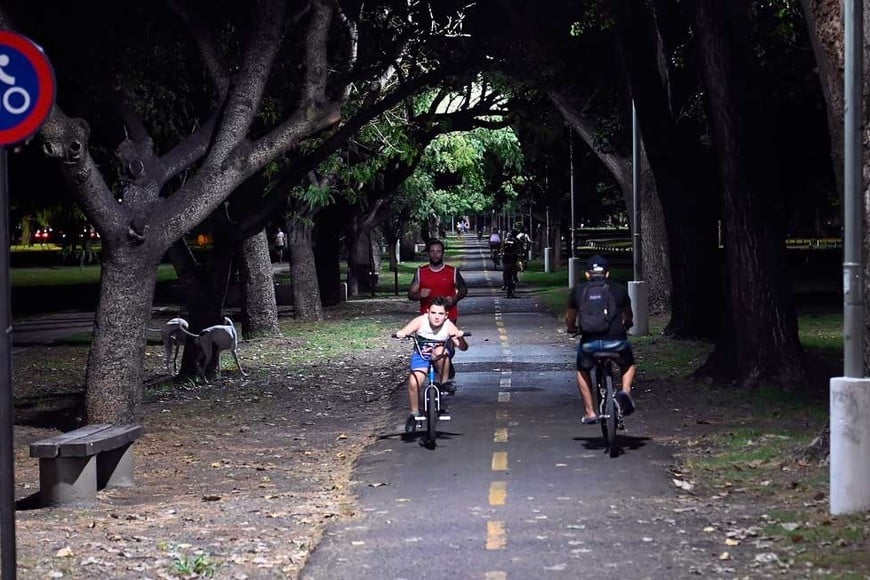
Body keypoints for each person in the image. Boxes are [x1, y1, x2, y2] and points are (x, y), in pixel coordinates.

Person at [565, 254, 637, 424]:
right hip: (616, 342)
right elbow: (628, 314)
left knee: (583, 371)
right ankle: (625, 391)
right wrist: (628, 323)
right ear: (607, 273)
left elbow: (570, 317)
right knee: (628, 364)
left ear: (587, 274)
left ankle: (590, 412)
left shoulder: (579, 290)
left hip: (590, 343)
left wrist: (571, 328)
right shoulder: (618, 289)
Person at [394, 297, 469, 428]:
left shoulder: (448, 325)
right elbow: (405, 331)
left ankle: (444, 383)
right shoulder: (420, 321)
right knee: (414, 382)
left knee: (441, 350)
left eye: (440, 314)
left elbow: (463, 347)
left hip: (439, 355)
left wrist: (460, 337)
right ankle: (414, 412)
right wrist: (401, 333)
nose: (436, 317)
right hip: (421, 355)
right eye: (433, 313)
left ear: (446, 315)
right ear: (427, 312)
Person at [407, 238, 468, 391]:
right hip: (426, 319)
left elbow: (463, 289)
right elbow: (411, 294)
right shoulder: (421, 272)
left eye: (438, 251)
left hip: (449, 316)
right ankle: (438, 376)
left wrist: (453, 299)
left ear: (442, 253)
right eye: (432, 251)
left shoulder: (452, 271)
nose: (435, 254)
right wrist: (420, 295)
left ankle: (444, 372)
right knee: (428, 348)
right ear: (428, 253)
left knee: (448, 347)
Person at [500, 230, 520, 297]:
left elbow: (502, 249)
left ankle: (505, 284)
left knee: (506, 274)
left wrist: (502, 253)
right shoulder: (516, 241)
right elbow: (518, 250)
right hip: (513, 260)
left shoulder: (505, 241)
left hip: (505, 260)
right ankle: (513, 285)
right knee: (513, 275)